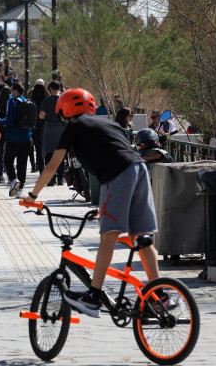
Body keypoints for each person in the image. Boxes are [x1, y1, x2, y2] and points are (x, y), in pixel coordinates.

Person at [23, 88, 168, 318]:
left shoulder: (72, 128)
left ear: (65, 112)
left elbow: (52, 166)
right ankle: (160, 296)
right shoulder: (109, 124)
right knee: (142, 237)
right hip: (138, 170)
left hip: (117, 174)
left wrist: (32, 196)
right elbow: (117, 151)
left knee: (108, 235)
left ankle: (92, 297)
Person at [0, 81, 32, 198]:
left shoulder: (12, 102)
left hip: (13, 137)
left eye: (11, 90)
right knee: (22, 163)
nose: (10, 92)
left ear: (16, 91)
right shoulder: (27, 102)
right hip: (26, 137)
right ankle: (20, 189)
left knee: (7, 160)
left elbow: (9, 121)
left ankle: (14, 180)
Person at [39, 80, 66, 186]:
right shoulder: (63, 100)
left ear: (50, 88)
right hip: (61, 129)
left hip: (49, 128)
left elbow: (41, 116)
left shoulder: (46, 100)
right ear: (60, 88)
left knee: (49, 153)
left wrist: (48, 116)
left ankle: (50, 179)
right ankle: (60, 177)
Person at [31, 81, 51, 174]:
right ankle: (49, 172)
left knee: (38, 152)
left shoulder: (32, 102)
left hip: (35, 128)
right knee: (47, 150)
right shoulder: (47, 100)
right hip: (47, 127)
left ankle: (42, 172)